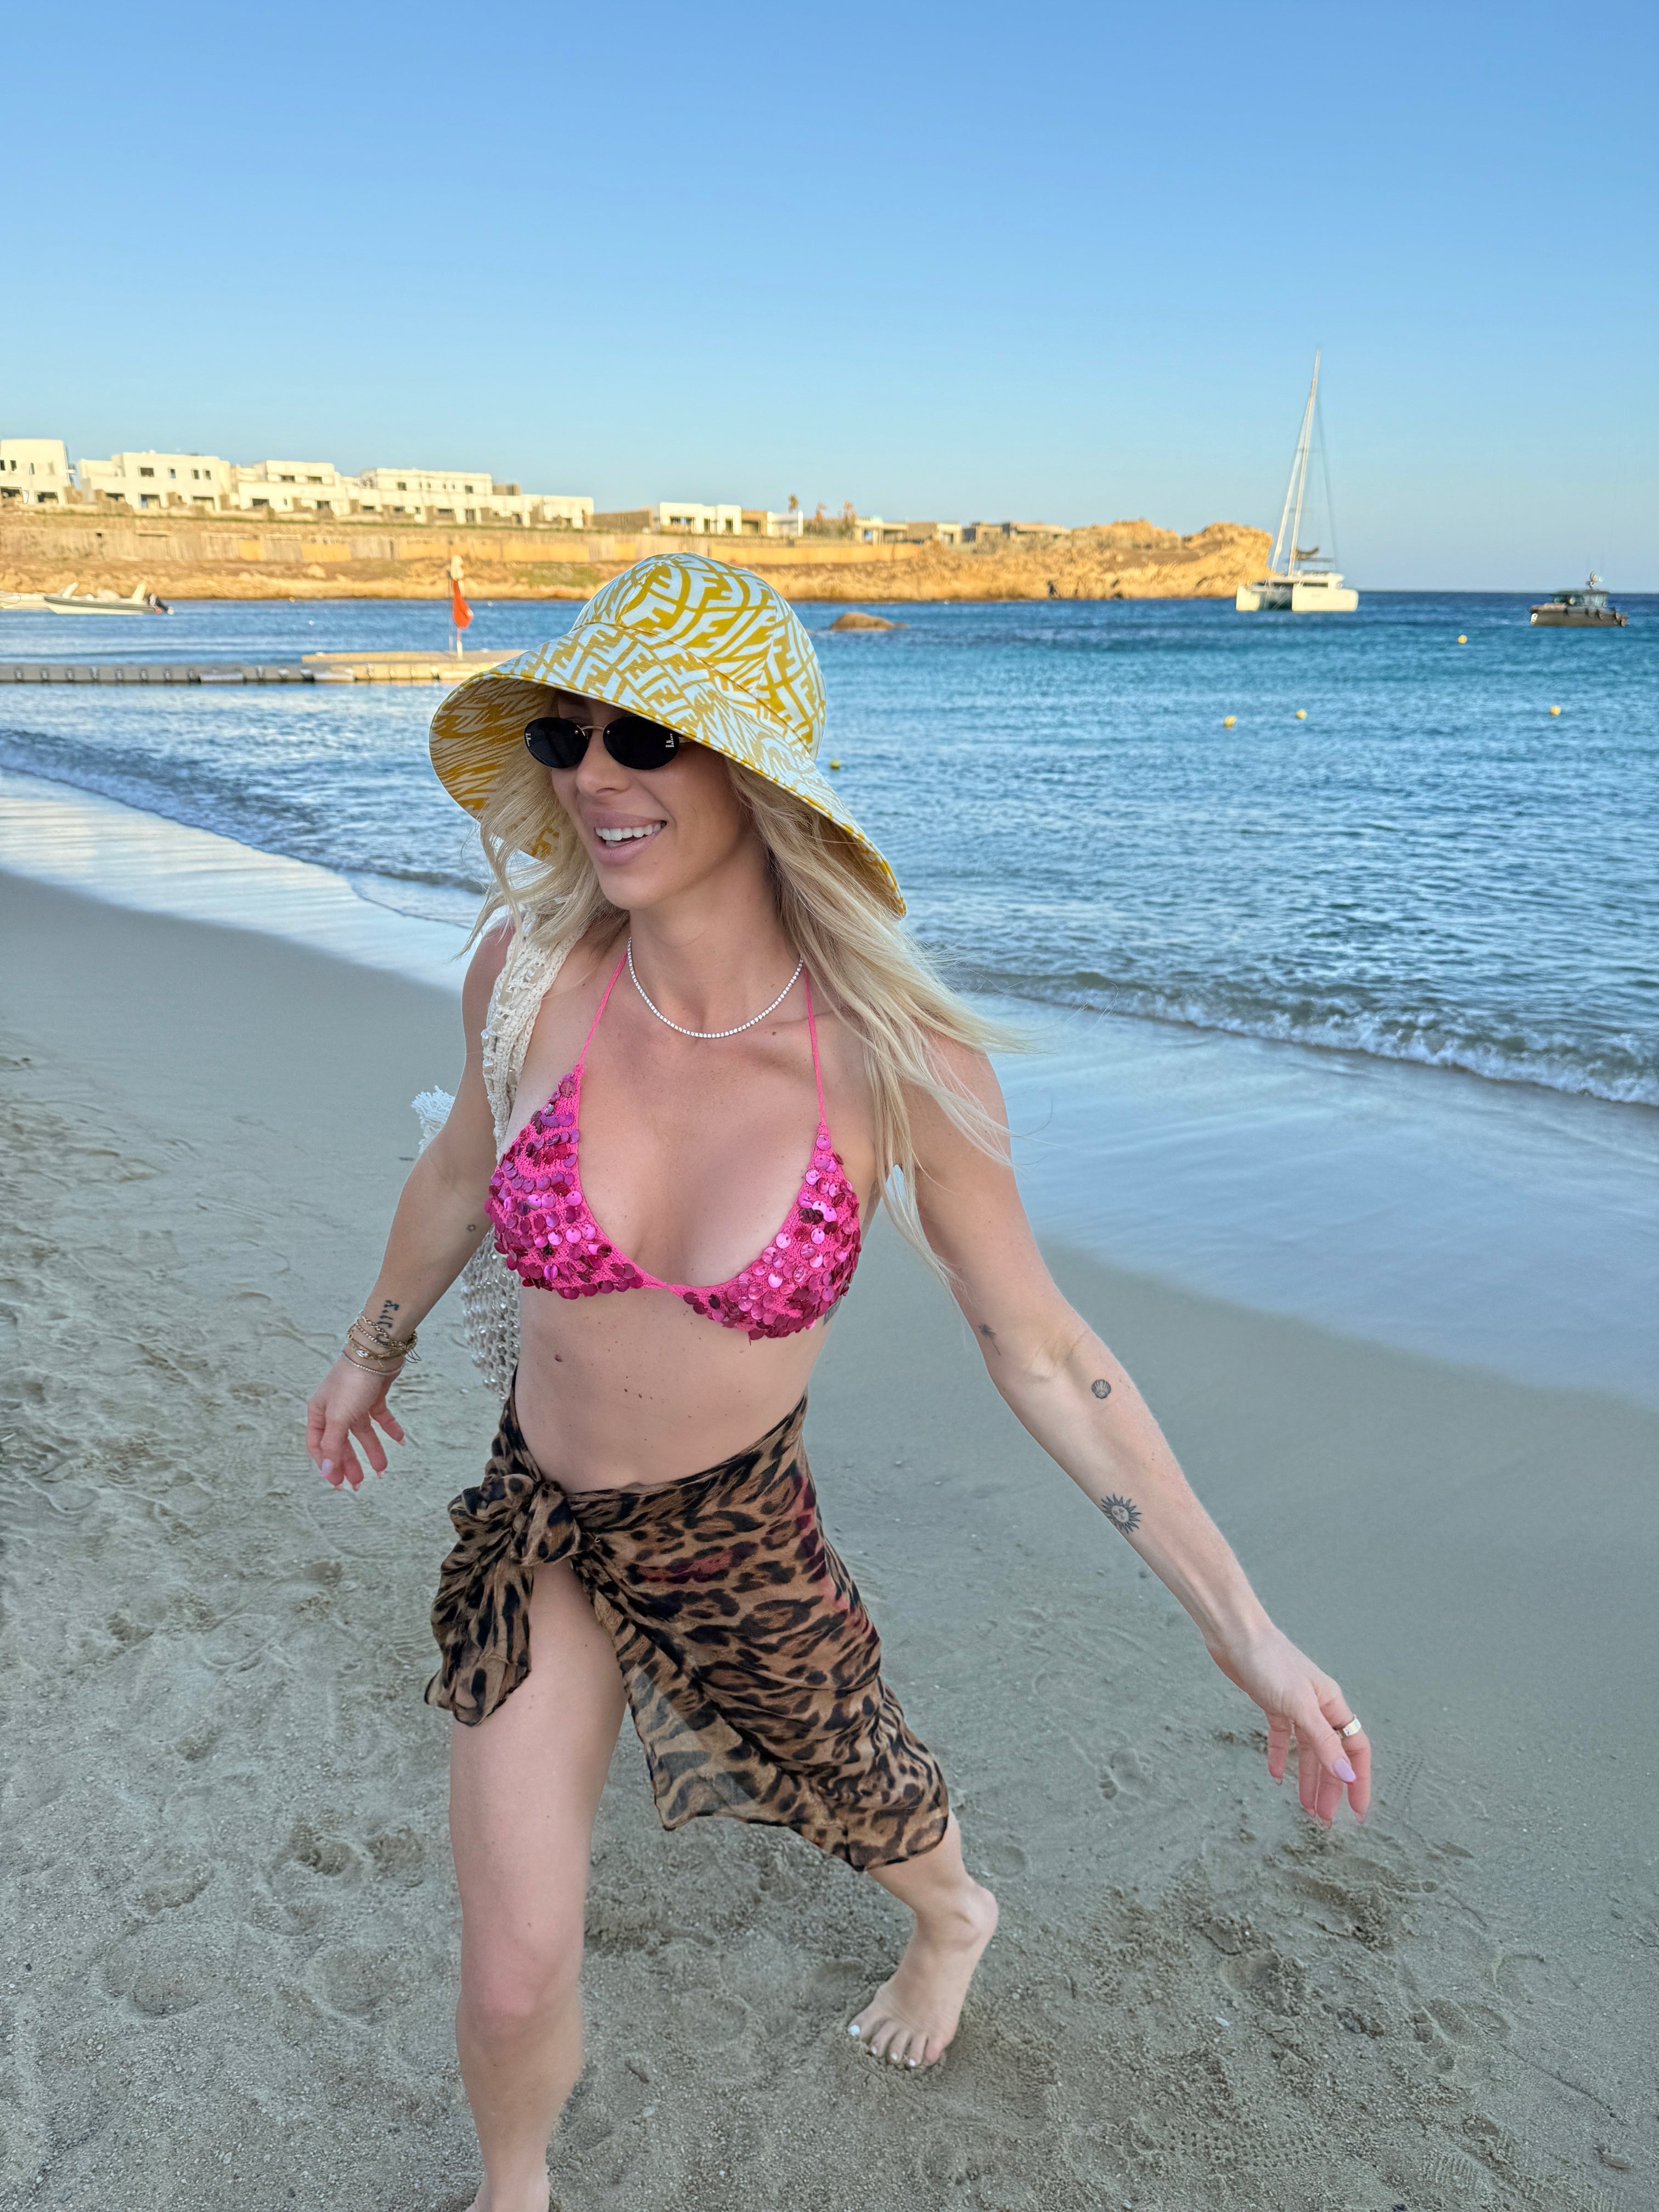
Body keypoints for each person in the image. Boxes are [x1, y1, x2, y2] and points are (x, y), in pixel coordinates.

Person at [305, 554, 1371, 2212]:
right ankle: (515, 2191)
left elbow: (1043, 1348)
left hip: (735, 1526)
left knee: (858, 1783)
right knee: (512, 1971)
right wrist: (370, 1349)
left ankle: (955, 1917)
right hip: (543, 1521)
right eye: (567, 736)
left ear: (755, 772)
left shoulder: (893, 1059)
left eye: (646, 735)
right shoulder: (529, 972)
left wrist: (1250, 1635)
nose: (593, 774)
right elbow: (458, 1169)